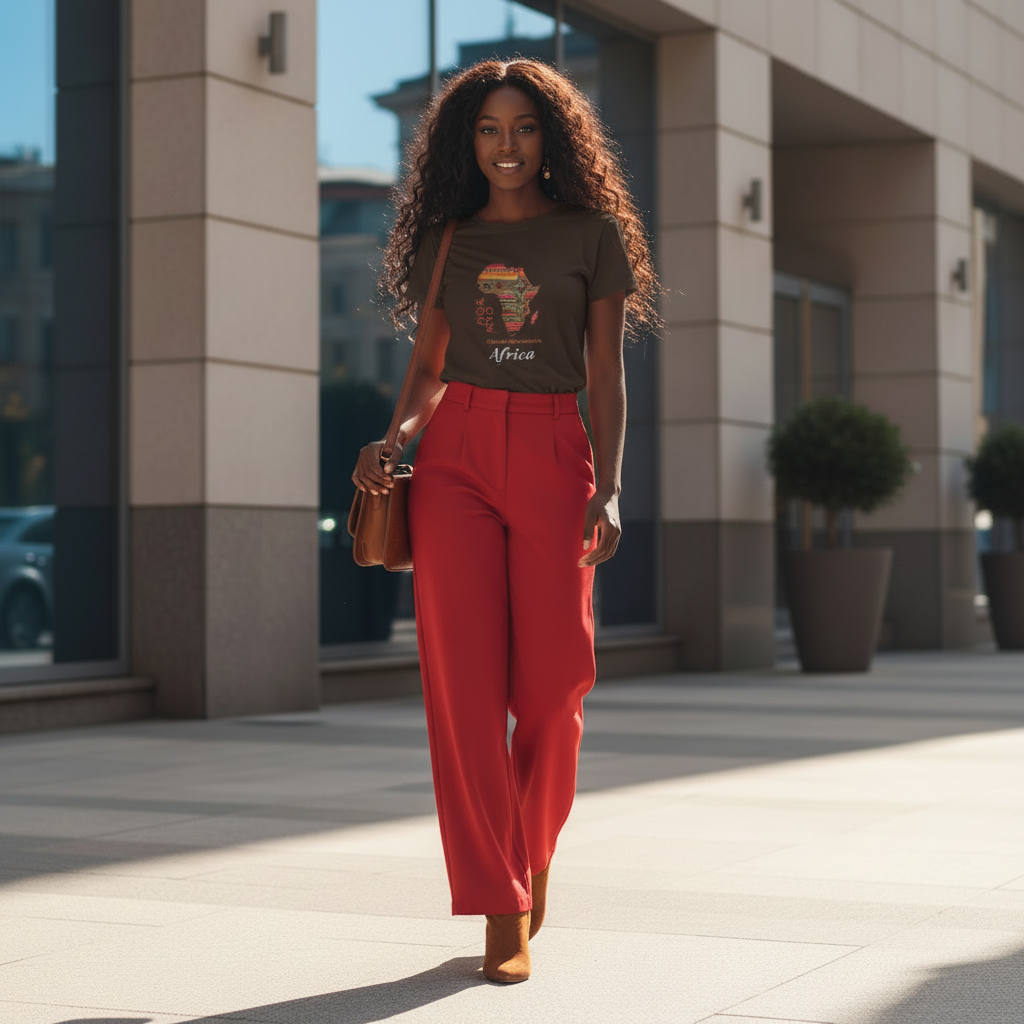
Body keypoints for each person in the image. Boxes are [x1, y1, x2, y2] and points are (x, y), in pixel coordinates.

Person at [352, 59, 659, 983]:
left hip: (555, 451)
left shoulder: (591, 235)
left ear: (553, 138)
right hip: (455, 461)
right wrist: (392, 440)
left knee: (559, 684)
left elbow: (606, 379)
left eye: (525, 128)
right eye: (489, 130)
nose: (507, 146)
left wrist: (608, 486)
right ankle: (500, 903)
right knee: (465, 690)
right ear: (466, 143)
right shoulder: (448, 242)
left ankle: (532, 848)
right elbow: (429, 375)